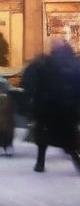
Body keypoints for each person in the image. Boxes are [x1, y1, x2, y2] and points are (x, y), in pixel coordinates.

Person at [22, 40, 80, 174]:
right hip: (67, 106)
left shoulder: (44, 63)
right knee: (67, 135)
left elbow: (30, 81)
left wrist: (32, 99)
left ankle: (40, 162)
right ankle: (75, 158)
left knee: (43, 136)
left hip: (46, 105)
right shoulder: (72, 62)